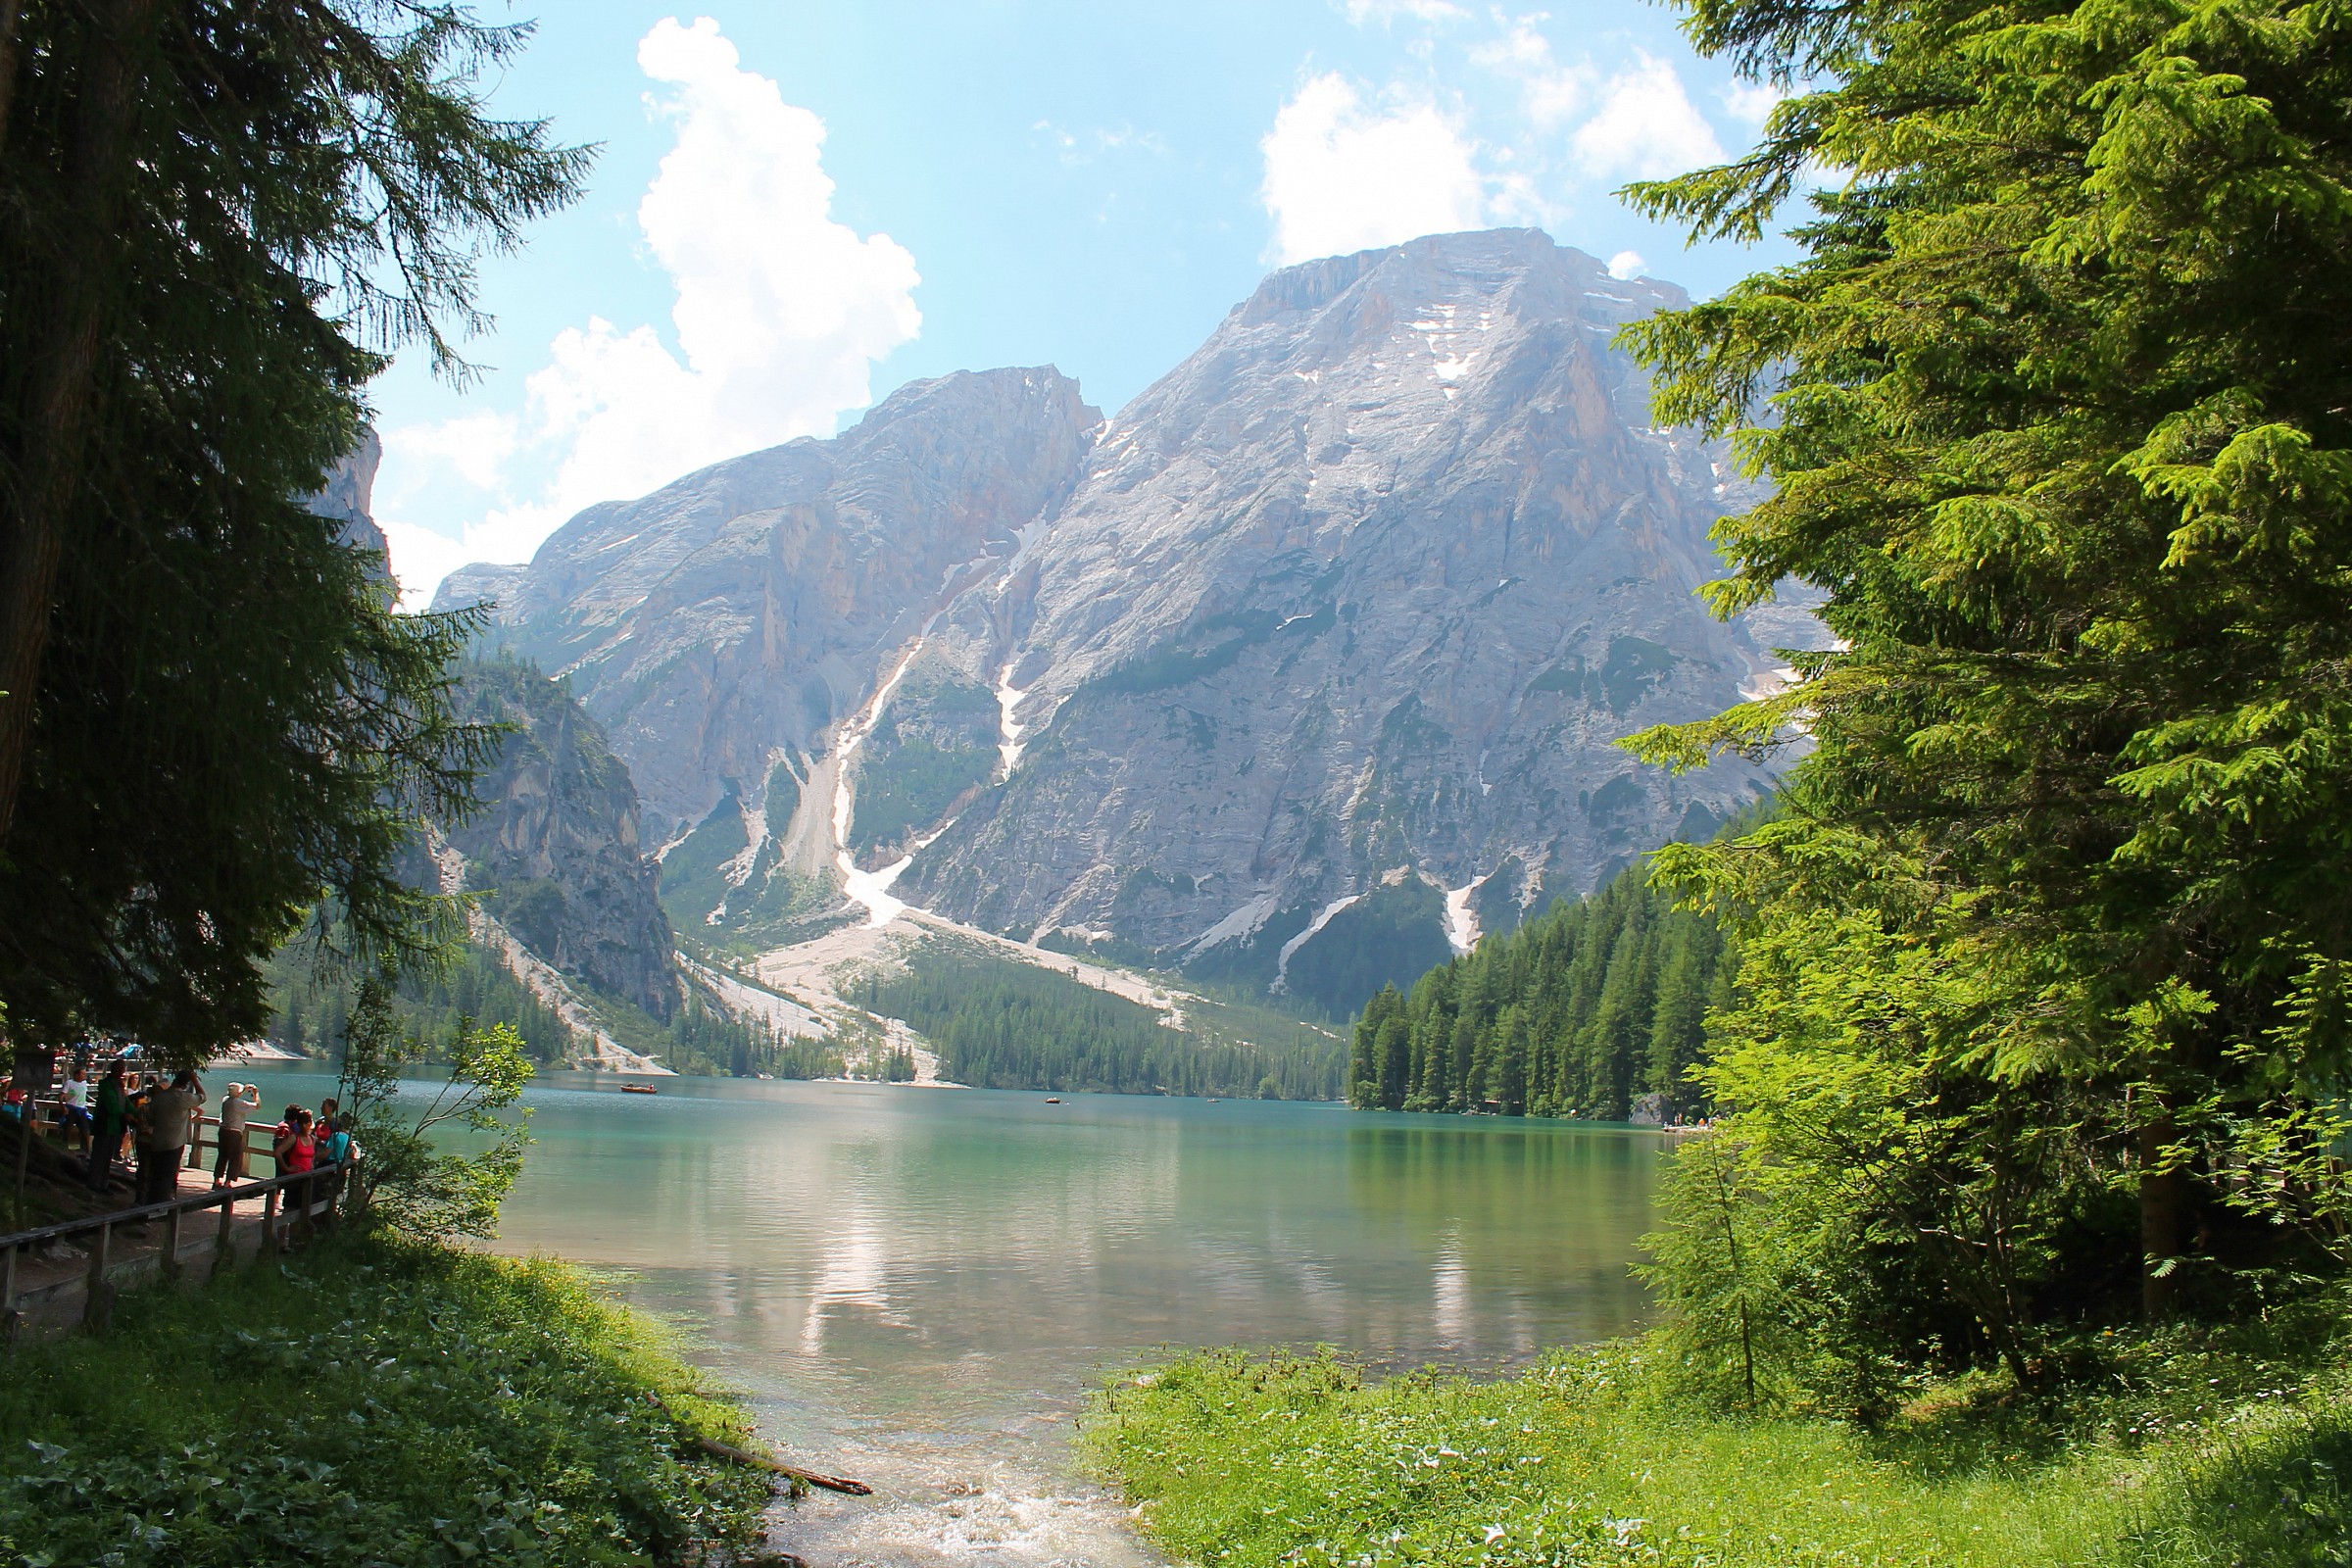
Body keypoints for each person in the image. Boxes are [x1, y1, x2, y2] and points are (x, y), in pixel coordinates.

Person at [137, 1069, 202, 1206]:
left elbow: (151, 1117)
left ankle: (151, 1202)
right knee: (168, 1174)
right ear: (186, 1084)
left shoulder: (160, 1098)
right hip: (175, 1142)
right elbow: (202, 1097)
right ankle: (160, 1205)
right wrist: (195, 1081)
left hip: (157, 1141)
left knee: (155, 1173)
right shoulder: (184, 1098)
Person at [88, 1063, 128, 1193]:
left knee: (107, 1157)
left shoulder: (119, 1085)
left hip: (115, 1126)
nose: (122, 1071)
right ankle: (94, 1183)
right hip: (104, 1124)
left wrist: (134, 1113)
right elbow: (112, 1105)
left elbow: (125, 1102)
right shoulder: (106, 1085)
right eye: (120, 1068)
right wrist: (124, 1114)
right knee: (99, 1155)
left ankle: (103, 1183)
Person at [213, 1081, 259, 1186]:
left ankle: (216, 1180)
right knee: (235, 1157)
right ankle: (228, 1182)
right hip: (234, 1133)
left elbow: (234, 1095)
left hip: (223, 1131)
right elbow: (257, 1105)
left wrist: (244, 1090)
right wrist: (256, 1093)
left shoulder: (226, 1100)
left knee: (222, 1156)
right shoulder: (238, 1103)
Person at [59, 1061, 92, 1150]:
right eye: (82, 1074)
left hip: (82, 1109)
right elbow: (62, 1096)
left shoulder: (84, 1083)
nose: (84, 1076)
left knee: (85, 1131)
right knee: (67, 1129)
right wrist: (63, 1106)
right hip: (71, 1108)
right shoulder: (69, 1083)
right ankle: (63, 1148)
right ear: (76, 1075)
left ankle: (85, 1150)